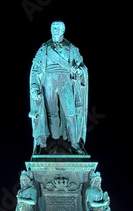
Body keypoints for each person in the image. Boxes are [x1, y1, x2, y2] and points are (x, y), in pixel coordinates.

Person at [29, 21, 88, 155]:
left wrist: (79, 71)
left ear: (63, 30)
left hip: (65, 81)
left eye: (57, 28)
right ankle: (54, 141)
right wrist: (34, 88)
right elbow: (35, 69)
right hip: (48, 81)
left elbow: (81, 66)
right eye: (53, 28)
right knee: (52, 115)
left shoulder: (71, 48)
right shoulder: (44, 48)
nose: (55, 30)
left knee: (70, 114)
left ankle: (74, 143)